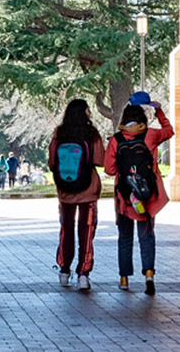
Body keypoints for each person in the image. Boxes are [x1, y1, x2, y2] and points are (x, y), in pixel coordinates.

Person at [104, 98, 174, 295]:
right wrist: (159, 111)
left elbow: (109, 169)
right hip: (147, 197)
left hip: (125, 197)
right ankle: (149, 275)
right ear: (143, 119)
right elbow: (169, 131)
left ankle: (124, 279)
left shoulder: (116, 140)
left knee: (125, 238)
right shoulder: (150, 135)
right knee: (147, 235)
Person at [48, 98, 105, 292]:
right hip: (88, 190)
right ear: (85, 112)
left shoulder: (59, 133)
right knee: (87, 231)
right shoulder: (92, 133)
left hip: (65, 190)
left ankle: (64, 269)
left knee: (66, 229)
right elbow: (100, 160)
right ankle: (83, 273)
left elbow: (52, 162)